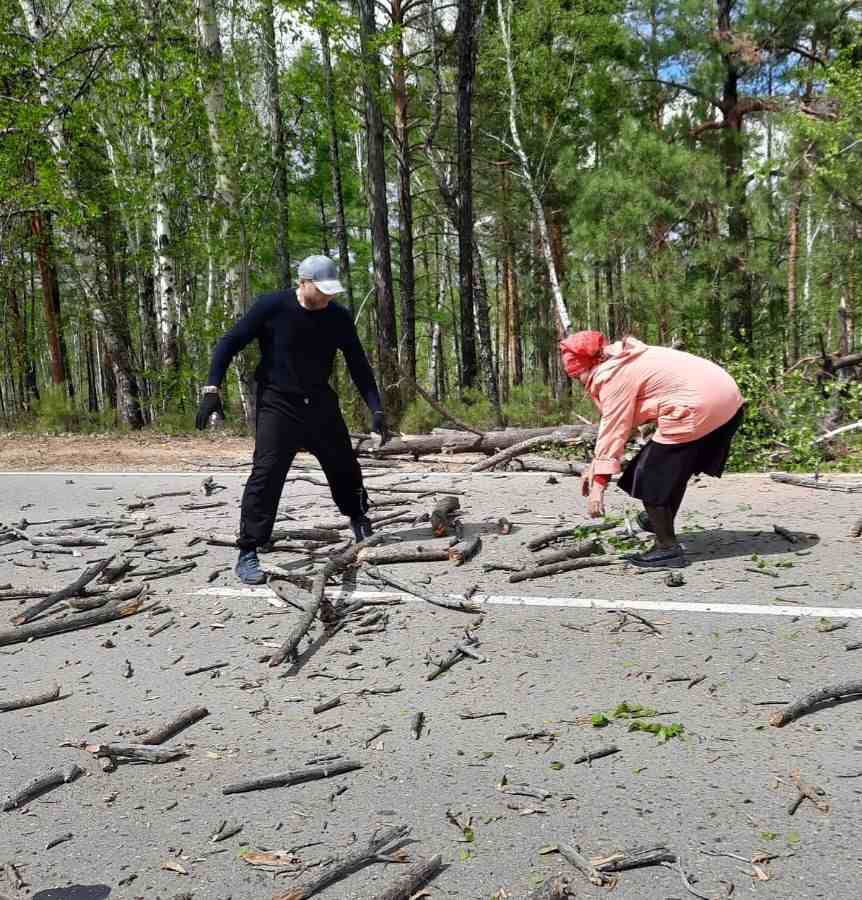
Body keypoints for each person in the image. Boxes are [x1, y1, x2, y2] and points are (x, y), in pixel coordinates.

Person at [196, 255, 391, 584]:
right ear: (303, 282)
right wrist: (212, 388)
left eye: (332, 292)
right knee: (266, 472)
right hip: (278, 402)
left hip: (319, 402)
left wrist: (377, 409)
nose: (328, 297)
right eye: (322, 290)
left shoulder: (338, 317)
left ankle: (359, 518)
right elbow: (229, 342)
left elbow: (358, 363)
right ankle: (249, 549)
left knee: (344, 464)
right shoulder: (271, 307)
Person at [560, 331, 744, 568]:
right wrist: (595, 466)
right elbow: (623, 423)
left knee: (648, 475)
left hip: (699, 407)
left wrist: (598, 485)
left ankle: (667, 548)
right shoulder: (624, 357)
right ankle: (656, 522)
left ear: (589, 365)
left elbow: (614, 429)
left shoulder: (612, 376)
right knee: (670, 471)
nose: (581, 382)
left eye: (578, 376)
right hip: (728, 405)